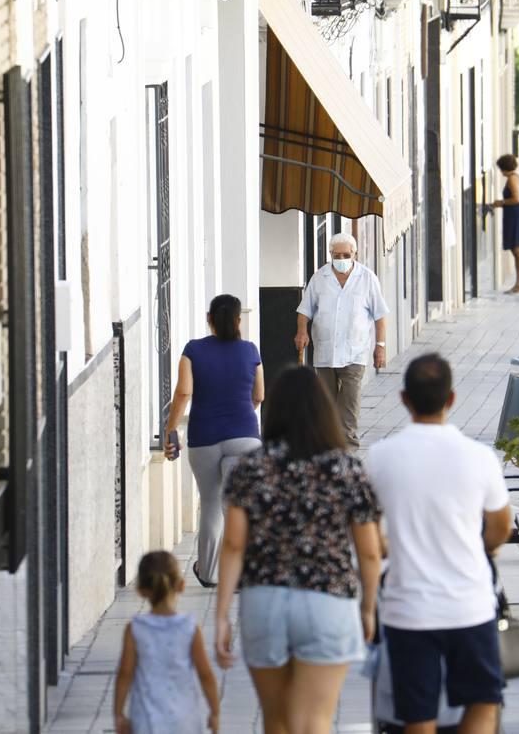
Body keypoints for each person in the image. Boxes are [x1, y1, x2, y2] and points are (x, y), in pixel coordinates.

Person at [215, 366, 383, 734]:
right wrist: (369, 607)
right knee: (314, 723)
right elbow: (370, 552)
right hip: (328, 600)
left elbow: (233, 544)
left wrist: (222, 614)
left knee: (276, 722)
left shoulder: (251, 468)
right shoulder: (346, 469)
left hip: (265, 600)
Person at [365, 354, 513, 734]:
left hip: (407, 609)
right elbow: (501, 526)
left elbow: (368, 534)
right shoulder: (479, 457)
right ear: (451, 398)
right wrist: (480, 549)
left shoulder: (379, 458)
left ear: (403, 399)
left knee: (417, 713)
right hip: (470, 605)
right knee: (484, 700)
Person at [164, 294, 264, 587]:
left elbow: (183, 393)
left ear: (209, 319)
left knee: (210, 503)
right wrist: (241, 416)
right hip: (244, 436)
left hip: (204, 437)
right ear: (238, 321)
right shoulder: (250, 351)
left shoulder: (193, 350)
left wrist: (172, 431)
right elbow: (259, 395)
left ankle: (207, 573)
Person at [294, 232, 389, 447]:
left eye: (346, 255)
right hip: (325, 352)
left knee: (349, 403)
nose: (342, 259)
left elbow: (380, 316)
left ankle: (347, 447)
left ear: (355, 254)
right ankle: (329, 443)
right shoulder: (320, 278)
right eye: (337, 255)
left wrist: (380, 346)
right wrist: (302, 331)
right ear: (330, 254)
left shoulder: (367, 278)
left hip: (355, 352)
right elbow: (304, 311)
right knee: (326, 402)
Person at [114, 551, 219, 734]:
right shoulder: (190, 628)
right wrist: (215, 712)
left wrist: (118, 714)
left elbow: (125, 674)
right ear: (181, 585)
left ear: (140, 590)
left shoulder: (135, 629)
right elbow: (206, 674)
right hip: (184, 720)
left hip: (146, 720)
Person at [491, 154, 519, 294]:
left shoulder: (512, 179)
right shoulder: (514, 177)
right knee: (516, 252)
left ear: (503, 168)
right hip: (514, 217)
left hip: (517, 217)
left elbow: (517, 198)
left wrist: (502, 202)